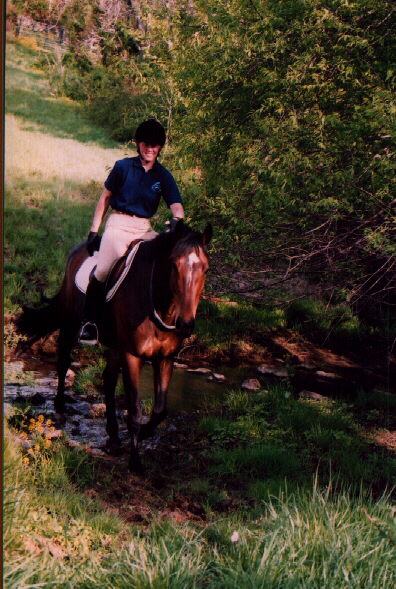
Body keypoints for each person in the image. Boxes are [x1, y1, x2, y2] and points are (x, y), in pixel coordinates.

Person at [78, 119, 184, 345]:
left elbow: (176, 205)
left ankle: (162, 320)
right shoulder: (123, 167)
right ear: (138, 144)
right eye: (146, 144)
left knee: (164, 264)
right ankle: (89, 322)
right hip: (118, 223)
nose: (150, 149)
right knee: (105, 268)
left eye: (155, 145)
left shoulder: (163, 175)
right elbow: (105, 198)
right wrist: (94, 230)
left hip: (144, 228)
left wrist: (177, 220)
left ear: (160, 147)